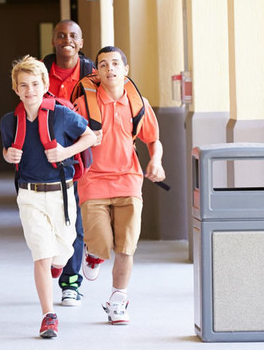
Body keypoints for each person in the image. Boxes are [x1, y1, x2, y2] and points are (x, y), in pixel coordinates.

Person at [0, 56, 95, 338]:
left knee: (64, 250)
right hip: (29, 195)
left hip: (61, 193)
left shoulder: (61, 115)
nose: (29, 90)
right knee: (41, 255)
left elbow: (90, 136)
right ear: (16, 89)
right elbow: (8, 150)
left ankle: (58, 264)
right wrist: (7, 154)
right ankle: (48, 315)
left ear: (44, 86)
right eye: (23, 85)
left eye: (34, 84)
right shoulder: (9, 121)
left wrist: (66, 152)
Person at [73, 46, 165, 325]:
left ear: (125, 70)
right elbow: (69, 138)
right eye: (103, 65)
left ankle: (118, 300)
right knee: (101, 242)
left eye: (115, 64)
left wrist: (156, 161)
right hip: (93, 181)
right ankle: (93, 253)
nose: (109, 68)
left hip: (129, 181)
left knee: (126, 246)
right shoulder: (84, 105)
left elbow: (153, 139)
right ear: (97, 72)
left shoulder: (139, 104)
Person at [42, 20, 96, 306]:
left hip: (79, 154)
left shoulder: (91, 74)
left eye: (73, 36)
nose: (67, 40)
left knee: (74, 218)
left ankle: (71, 282)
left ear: (81, 42)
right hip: (45, 155)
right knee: (49, 219)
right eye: (61, 35)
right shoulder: (40, 71)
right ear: (53, 40)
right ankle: (56, 263)